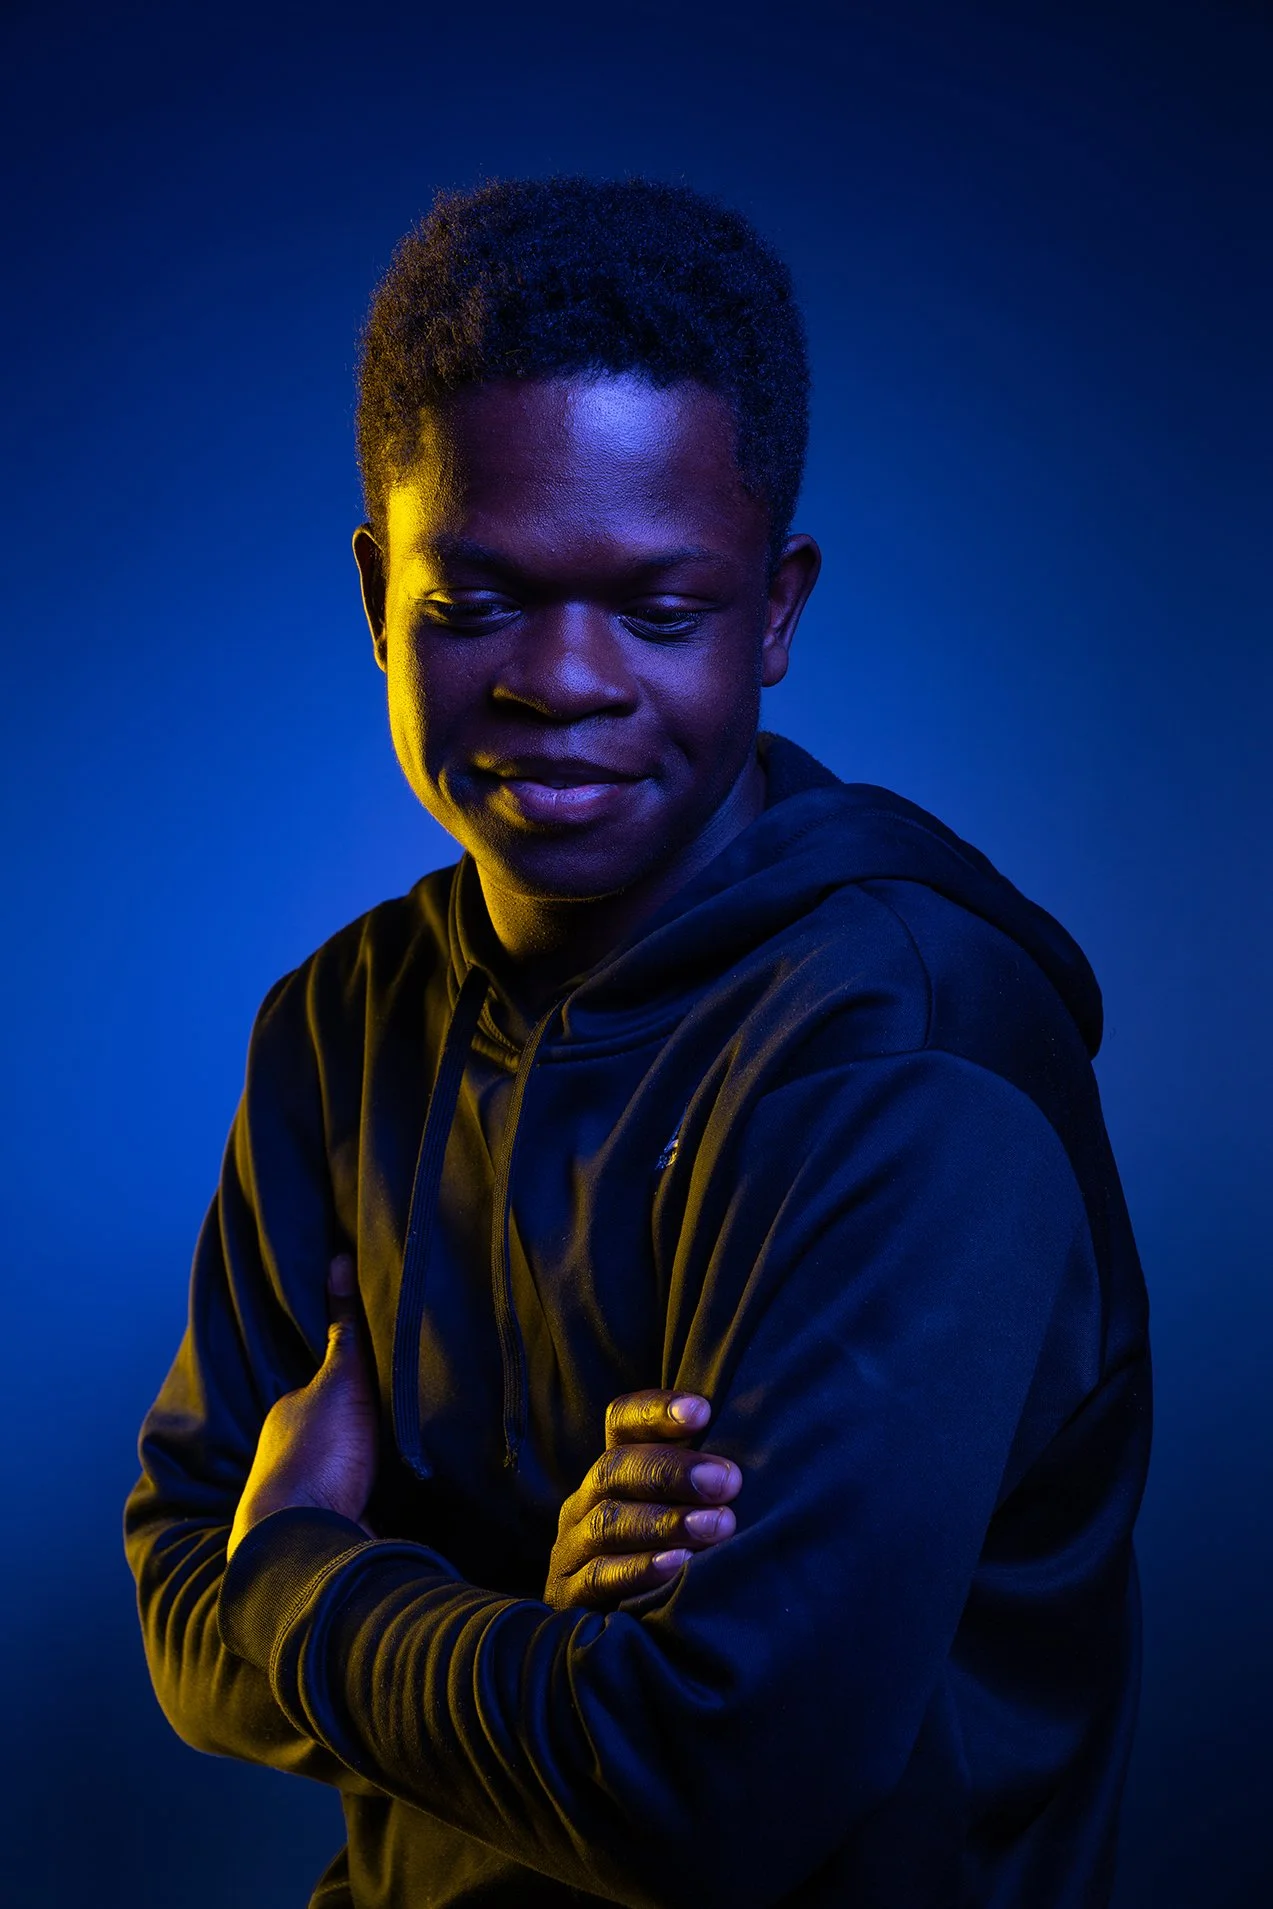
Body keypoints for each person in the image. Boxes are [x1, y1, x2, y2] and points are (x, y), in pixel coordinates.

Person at [124, 176, 1152, 1909]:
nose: (565, 681)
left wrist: (308, 1568)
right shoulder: (333, 1029)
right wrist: (535, 1627)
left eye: (660, 611)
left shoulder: (912, 1055)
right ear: (382, 594)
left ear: (776, 613)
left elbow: (710, 1785)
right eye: (481, 603)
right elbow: (176, 1614)